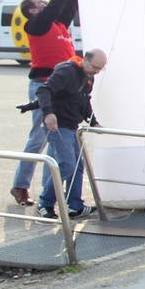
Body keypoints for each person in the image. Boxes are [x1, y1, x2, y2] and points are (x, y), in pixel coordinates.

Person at [11, 0, 78, 207]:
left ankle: (48, 192)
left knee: (57, 138)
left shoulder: (59, 25)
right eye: (41, 2)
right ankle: (20, 185)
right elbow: (57, 1)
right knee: (38, 137)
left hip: (63, 87)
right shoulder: (36, 25)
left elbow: (69, 3)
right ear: (32, 11)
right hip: (43, 84)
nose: (46, 3)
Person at [35, 49, 106, 220]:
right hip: (59, 124)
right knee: (67, 165)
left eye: (100, 69)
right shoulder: (66, 71)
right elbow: (44, 90)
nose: (96, 71)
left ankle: (75, 205)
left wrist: (92, 120)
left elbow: (84, 99)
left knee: (77, 166)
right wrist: (48, 113)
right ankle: (45, 203)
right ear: (86, 60)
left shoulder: (88, 76)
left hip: (72, 125)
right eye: (95, 67)